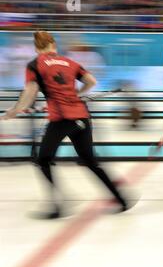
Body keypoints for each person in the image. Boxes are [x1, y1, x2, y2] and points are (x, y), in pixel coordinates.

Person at [1, 31, 131, 219]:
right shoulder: (70, 62)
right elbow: (91, 81)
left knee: (43, 159)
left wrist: (14, 111)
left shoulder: (35, 65)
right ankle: (121, 199)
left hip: (62, 119)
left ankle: (58, 206)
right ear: (53, 45)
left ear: (37, 48)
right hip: (82, 118)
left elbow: (30, 94)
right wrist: (77, 95)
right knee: (90, 161)